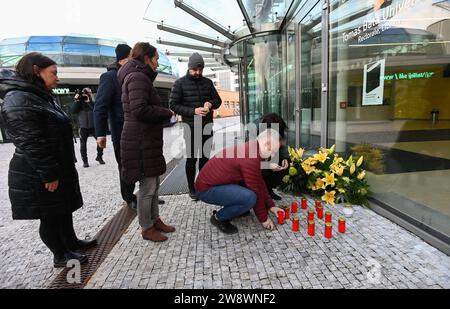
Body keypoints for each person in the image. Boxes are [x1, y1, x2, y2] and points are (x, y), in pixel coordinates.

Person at [0, 53, 97, 268]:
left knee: (62, 208)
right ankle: (60, 255)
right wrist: (49, 173)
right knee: (50, 215)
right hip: (38, 172)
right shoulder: (18, 99)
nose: (57, 78)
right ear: (36, 70)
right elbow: (31, 142)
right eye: (53, 73)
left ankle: (71, 242)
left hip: (56, 164)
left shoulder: (38, 94)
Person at [118, 42, 175, 242]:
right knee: (147, 188)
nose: (157, 63)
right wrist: (167, 112)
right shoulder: (137, 77)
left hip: (145, 139)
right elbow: (139, 109)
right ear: (146, 58)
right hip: (139, 141)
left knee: (154, 184)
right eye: (156, 59)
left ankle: (155, 220)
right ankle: (146, 227)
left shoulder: (138, 76)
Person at [195, 129, 285, 234]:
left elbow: (259, 181)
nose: (272, 155)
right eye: (273, 151)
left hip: (215, 183)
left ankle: (238, 208)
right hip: (205, 189)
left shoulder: (252, 147)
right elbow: (256, 190)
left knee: (249, 194)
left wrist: (271, 205)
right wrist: (264, 219)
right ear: (266, 144)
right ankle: (218, 218)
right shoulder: (251, 157)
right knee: (250, 197)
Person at [169, 52, 222, 201]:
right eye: (195, 70)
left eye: (200, 70)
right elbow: (173, 105)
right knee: (192, 159)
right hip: (190, 127)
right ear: (189, 68)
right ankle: (191, 187)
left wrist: (210, 103)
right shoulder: (179, 83)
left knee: (205, 158)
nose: (198, 73)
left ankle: (202, 184)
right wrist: (193, 111)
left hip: (206, 126)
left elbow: (218, 100)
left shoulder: (207, 82)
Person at [93, 44, 139, 209]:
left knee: (141, 163)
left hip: (138, 130)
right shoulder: (110, 77)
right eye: (132, 57)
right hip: (121, 132)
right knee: (126, 167)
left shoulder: (134, 74)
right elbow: (100, 107)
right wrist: (100, 134)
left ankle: (146, 196)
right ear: (124, 59)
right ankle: (129, 197)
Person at [260, 113, 290, 200]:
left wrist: (285, 158)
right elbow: (250, 164)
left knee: (286, 163)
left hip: (269, 156)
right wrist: (268, 165)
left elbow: (283, 145)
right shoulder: (253, 136)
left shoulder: (279, 129)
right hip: (253, 166)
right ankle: (254, 193)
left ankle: (268, 190)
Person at [71, 87, 104, 167]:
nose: (87, 94)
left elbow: (96, 111)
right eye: (85, 93)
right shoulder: (79, 103)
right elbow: (73, 111)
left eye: (88, 93)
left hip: (94, 127)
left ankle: (99, 157)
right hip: (83, 127)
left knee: (101, 142)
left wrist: (89, 102)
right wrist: (76, 100)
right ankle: (85, 161)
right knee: (83, 145)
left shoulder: (92, 103)